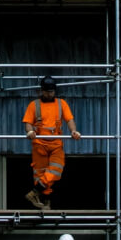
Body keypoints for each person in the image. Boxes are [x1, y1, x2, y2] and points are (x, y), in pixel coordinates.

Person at [22, 76, 80, 209]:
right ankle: (45, 203)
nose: (49, 94)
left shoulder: (61, 104)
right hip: (39, 144)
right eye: (47, 91)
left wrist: (73, 131)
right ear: (41, 91)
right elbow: (28, 123)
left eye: (51, 91)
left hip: (56, 144)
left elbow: (69, 120)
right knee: (40, 174)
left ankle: (34, 193)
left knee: (56, 170)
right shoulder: (34, 105)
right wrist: (30, 132)